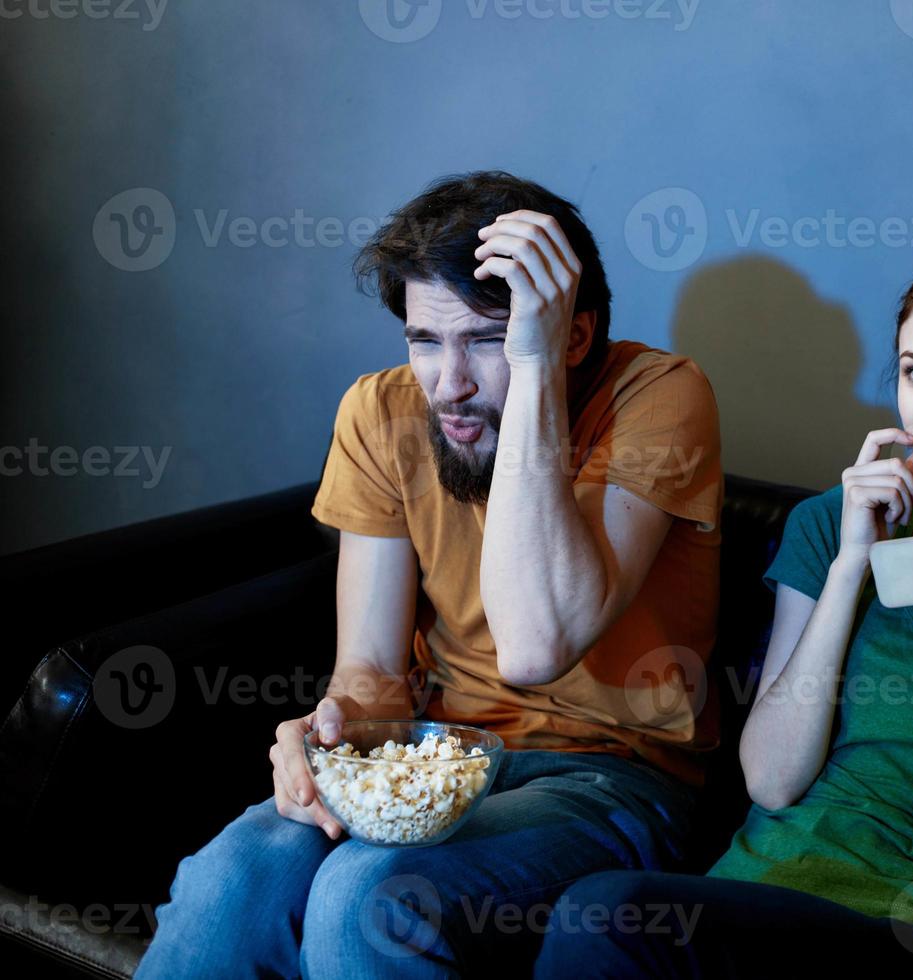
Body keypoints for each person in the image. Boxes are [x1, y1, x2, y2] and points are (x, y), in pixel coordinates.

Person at [134, 171, 724, 978]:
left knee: (368, 894)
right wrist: (333, 731)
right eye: (424, 341)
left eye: (485, 340)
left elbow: (534, 646)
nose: (449, 384)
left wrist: (535, 367)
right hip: (432, 752)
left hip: (611, 776)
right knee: (226, 881)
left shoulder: (659, 395)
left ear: (570, 336)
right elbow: (372, 668)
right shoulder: (379, 413)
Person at [530, 248, 913, 980]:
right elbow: (771, 781)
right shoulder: (832, 524)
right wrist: (851, 564)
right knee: (604, 917)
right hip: (749, 900)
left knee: (603, 915)